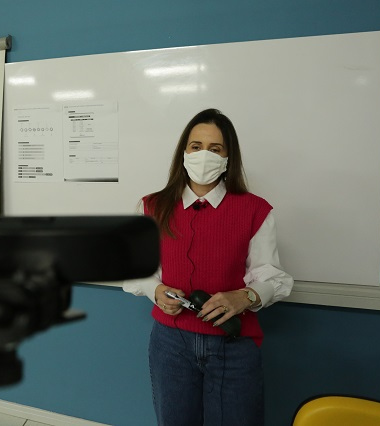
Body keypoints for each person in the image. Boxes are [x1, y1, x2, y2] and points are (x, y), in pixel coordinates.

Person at [123, 108, 293, 426]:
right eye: (196, 146)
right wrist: (155, 289)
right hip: (171, 345)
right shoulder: (151, 206)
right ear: (184, 153)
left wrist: (246, 297)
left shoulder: (255, 210)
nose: (204, 156)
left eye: (215, 149)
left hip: (233, 345)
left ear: (228, 158)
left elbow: (273, 275)